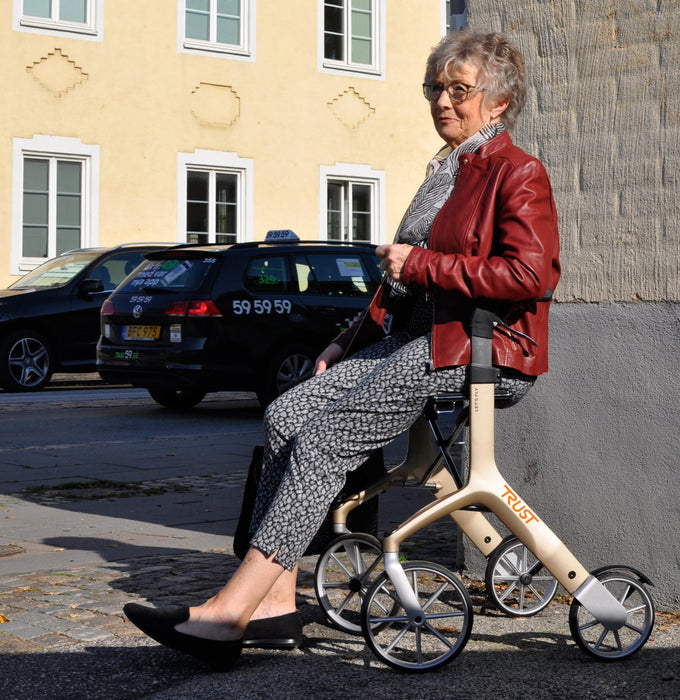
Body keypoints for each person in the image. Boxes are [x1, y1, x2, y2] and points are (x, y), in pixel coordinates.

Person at [124, 29, 561, 670]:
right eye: (436, 88)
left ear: (498, 103)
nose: (443, 101)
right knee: (286, 415)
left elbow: (532, 276)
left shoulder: (517, 172)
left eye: (459, 90)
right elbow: (397, 284)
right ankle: (274, 602)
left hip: (480, 347)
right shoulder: (445, 170)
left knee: (327, 439)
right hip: (413, 340)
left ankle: (228, 613)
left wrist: (426, 264)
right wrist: (343, 342)